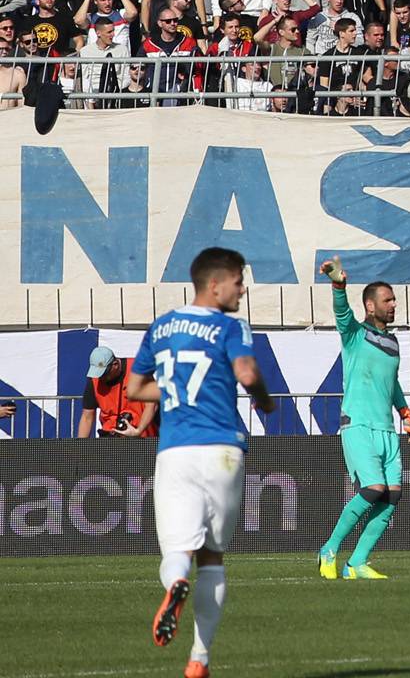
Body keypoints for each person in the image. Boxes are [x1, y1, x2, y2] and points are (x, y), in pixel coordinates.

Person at [123, 245, 275, 675]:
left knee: (176, 549)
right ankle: (199, 659)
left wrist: (172, 392)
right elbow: (246, 373)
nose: (242, 290)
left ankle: (175, 584)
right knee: (211, 556)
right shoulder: (231, 326)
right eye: (238, 281)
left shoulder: (162, 326)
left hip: (175, 450)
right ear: (215, 284)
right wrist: (264, 400)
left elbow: (135, 388)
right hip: (221, 449)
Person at [316, 254, 410, 580]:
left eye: (394, 300)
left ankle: (357, 563)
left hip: (387, 430)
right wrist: (338, 285)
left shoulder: (392, 342)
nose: (393, 305)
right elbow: (342, 313)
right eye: (387, 300)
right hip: (358, 425)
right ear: (371, 306)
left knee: (392, 495)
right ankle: (329, 549)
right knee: (374, 488)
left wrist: (406, 414)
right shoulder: (354, 335)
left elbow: (391, 384)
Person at [79, 342, 158, 438]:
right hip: (110, 437)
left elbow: (151, 405)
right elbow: (87, 417)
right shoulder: (94, 380)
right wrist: (80, 449)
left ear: (115, 365)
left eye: (104, 373)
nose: (101, 378)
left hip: (142, 436)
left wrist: (138, 430)